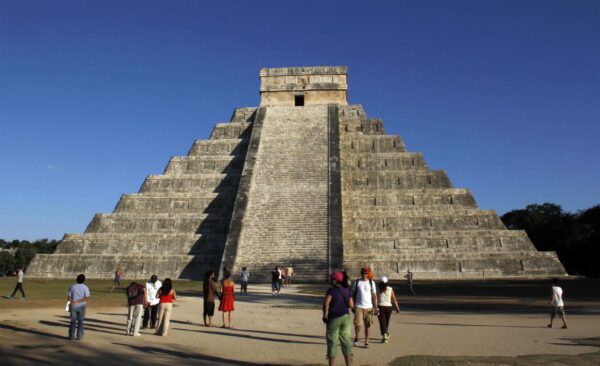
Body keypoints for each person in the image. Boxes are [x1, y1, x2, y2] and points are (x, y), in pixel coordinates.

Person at [323, 272, 354, 366]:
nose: (330, 280)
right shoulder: (347, 290)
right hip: (346, 318)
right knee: (346, 340)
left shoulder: (331, 290)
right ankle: (349, 364)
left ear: (337, 280)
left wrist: (325, 315)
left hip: (334, 318)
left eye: (332, 279)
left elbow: (326, 304)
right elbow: (351, 305)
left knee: (332, 341)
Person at [351, 267, 377, 348]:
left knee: (368, 325)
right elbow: (353, 295)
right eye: (363, 273)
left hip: (369, 307)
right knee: (358, 325)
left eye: (366, 273)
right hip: (358, 306)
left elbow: (374, 296)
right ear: (361, 273)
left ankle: (366, 341)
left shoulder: (372, 283)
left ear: (368, 273)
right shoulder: (357, 282)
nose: (364, 275)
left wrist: (375, 307)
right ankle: (357, 337)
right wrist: (352, 305)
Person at [67, 274, 90, 340]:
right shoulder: (85, 287)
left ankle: (71, 336)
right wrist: (78, 301)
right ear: (84, 280)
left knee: (73, 321)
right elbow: (86, 298)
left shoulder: (72, 286)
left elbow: (69, 297)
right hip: (82, 306)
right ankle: (80, 336)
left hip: (73, 306)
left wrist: (71, 303)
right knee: (80, 321)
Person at [377, 276, 400, 343]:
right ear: (387, 282)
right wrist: (397, 308)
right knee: (386, 321)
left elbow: (376, 299)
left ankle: (384, 334)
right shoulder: (390, 289)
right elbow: (394, 299)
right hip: (389, 307)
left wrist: (375, 307)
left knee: (382, 322)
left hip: (381, 307)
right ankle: (385, 333)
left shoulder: (378, 289)